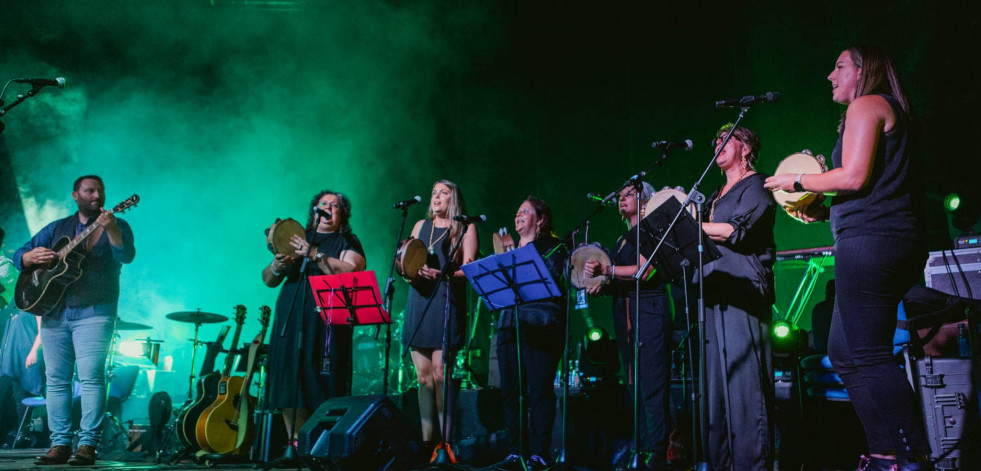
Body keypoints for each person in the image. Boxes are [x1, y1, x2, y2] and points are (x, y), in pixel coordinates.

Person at [765, 45, 930, 471]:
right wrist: (823, 210)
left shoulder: (868, 104)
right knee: (843, 351)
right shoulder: (878, 109)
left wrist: (797, 178)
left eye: (839, 66)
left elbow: (852, 176)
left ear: (863, 70)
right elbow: (869, 186)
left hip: (873, 242)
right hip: (879, 239)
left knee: (868, 354)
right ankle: (884, 453)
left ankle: (910, 456)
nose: (830, 75)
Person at [13, 175, 136, 465]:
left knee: (91, 377)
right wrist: (29, 258)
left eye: (100, 191)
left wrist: (113, 229)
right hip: (55, 311)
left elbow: (126, 255)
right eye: (89, 191)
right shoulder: (58, 228)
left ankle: (88, 445)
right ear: (75, 195)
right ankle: (59, 444)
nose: (96, 196)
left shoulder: (116, 224)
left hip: (95, 310)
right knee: (55, 380)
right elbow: (21, 252)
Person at [262, 190, 366, 449]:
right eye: (323, 203)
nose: (328, 207)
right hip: (290, 316)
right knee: (288, 380)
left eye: (335, 205)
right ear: (314, 210)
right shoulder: (298, 238)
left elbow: (352, 270)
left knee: (320, 380)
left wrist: (314, 254)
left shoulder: (347, 241)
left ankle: (320, 445)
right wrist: (277, 265)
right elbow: (268, 280)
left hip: (325, 321)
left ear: (342, 215)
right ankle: (295, 444)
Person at [583, 181, 675, 470]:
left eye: (628, 194)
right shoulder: (624, 238)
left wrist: (607, 271)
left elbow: (646, 272)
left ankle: (656, 451)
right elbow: (622, 279)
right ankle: (642, 447)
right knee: (635, 385)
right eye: (619, 195)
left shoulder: (650, 230)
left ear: (644, 199)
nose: (621, 198)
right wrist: (604, 285)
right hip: (627, 316)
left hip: (649, 310)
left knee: (651, 383)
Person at [701, 124, 776, 470]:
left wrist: (693, 227)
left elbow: (738, 231)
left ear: (745, 148)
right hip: (713, 292)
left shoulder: (757, 185)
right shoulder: (714, 193)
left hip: (743, 289)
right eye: (715, 140)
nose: (718, 144)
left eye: (725, 138)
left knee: (745, 389)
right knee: (716, 392)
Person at [402, 179, 478, 450]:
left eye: (443, 193)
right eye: (434, 192)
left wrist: (442, 275)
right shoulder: (419, 227)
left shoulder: (465, 228)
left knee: (440, 373)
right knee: (422, 377)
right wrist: (408, 274)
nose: (436, 197)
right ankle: (426, 443)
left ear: (453, 198)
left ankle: (445, 444)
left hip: (445, 302)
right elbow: (406, 260)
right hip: (419, 301)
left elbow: (470, 271)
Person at [495, 196, 567, 471]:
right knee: (511, 392)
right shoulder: (508, 252)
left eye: (525, 210)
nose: (518, 215)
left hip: (541, 325)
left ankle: (539, 453)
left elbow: (550, 278)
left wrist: (516, 255)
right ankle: (515, 451)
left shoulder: (554, 246)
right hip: (508, 326)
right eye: (517, 211)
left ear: (541, 219)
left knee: (538, 390)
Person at [0, 227, 44, 447]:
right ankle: (8, 436)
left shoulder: (34, 303)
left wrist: (34, 351)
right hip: (9, 358)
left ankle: (22, 436)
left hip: (26, 357)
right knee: (3, 397)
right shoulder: (13, 305)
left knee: (21, 399)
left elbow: (42, 329)